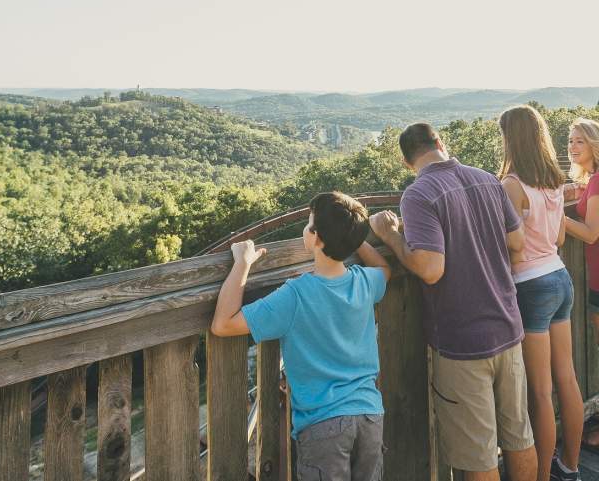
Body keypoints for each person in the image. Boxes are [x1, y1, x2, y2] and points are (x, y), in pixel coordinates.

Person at [371, 122, 537, 481]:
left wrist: (392, 237)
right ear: (440, 143)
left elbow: (430, 269)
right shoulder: (486, 179)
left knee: (478, 455)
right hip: (508, 326)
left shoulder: (419, 194)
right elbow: (518, 242)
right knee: (519, 436)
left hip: (463, 342)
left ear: (405, 161)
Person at [211, 190, 391, 481]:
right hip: (370, 414)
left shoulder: (295, 295)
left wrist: (242, 263)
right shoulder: (364, 282)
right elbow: (384, 268)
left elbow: (223, 324)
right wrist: (359, 240)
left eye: (309, 225)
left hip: (324, 425)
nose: (305, 229)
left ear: (316, 239)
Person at [498, 105, 583, 481]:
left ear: (510, 139)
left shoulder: (512, 185)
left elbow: (510, 246)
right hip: (561, 278)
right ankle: (571, 466)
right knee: (566, 377)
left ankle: (542, 476)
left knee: (539, 390)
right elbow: (561, 237)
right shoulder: (553, 180)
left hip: (531, 287)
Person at [563, 118, 599, 450]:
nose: (573, 147)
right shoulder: (592, 180)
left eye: (580, 142)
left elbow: (591, 233)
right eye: (571, 141)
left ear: (594, 145)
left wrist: (552, 214)